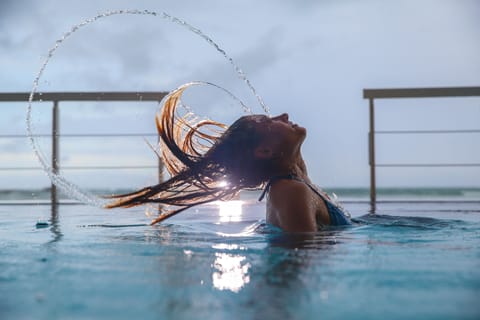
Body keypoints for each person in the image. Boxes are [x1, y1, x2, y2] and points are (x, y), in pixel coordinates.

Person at [106, 85, 351, 232]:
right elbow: (300, 261)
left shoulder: (298, 182)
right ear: (264, 151)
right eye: (269, 121)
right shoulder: (289, 191)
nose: (284, 115)